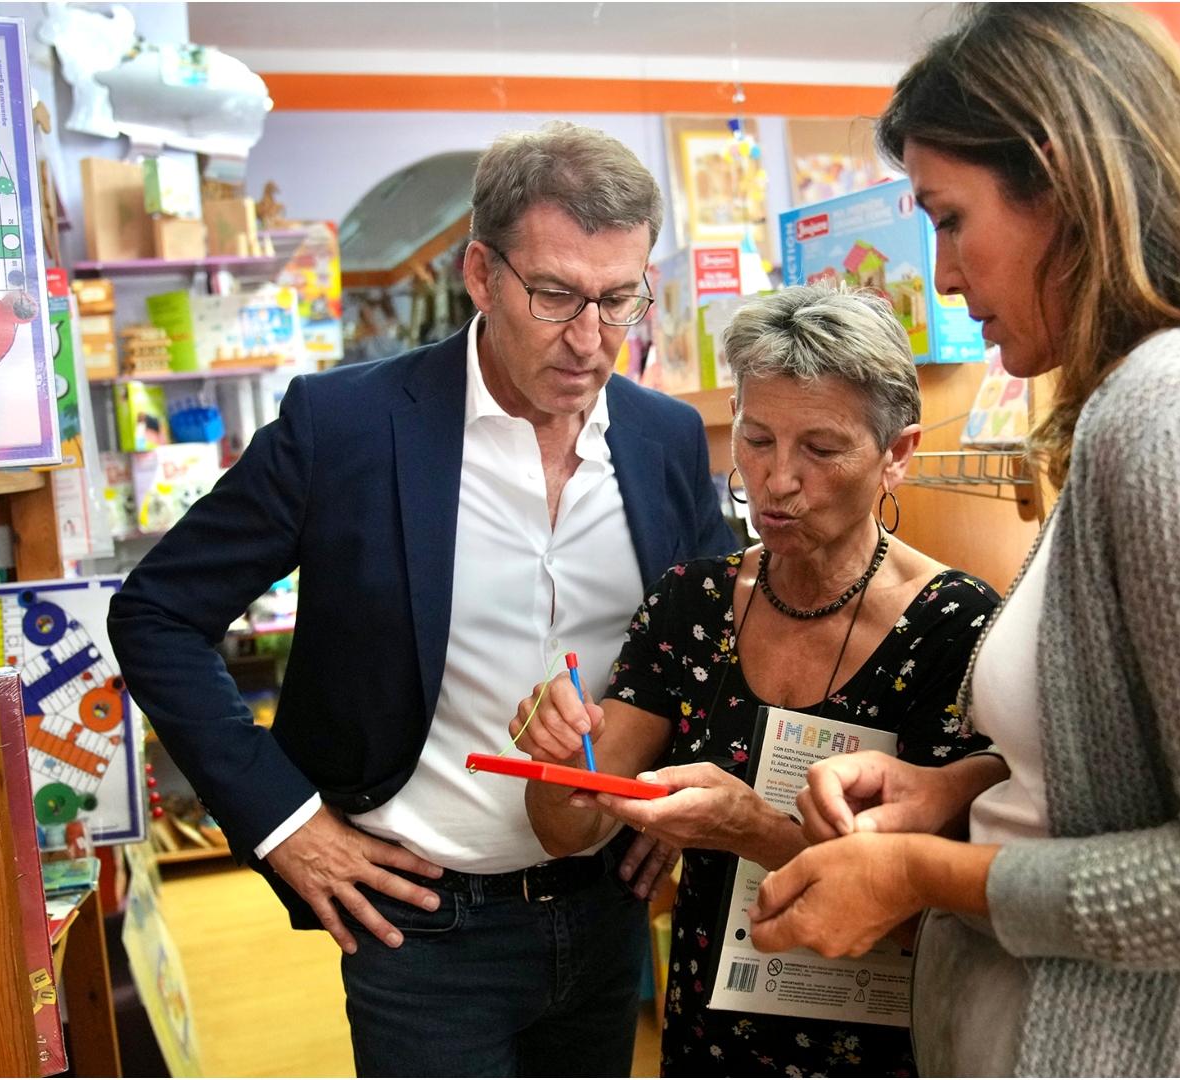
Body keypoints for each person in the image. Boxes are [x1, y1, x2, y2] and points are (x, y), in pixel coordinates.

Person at [747, 5, 1180, 1076]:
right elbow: (1139, 761)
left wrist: (921, 876)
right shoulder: (1140, 408)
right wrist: (961, 791)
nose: (943, 277)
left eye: (951, 219)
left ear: (1061, 184)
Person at [108, 121, 735, 1077]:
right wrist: (287, 825)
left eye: (619, 299)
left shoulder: (665, 437)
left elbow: (705, 642)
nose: (590, 339)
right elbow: (156, 615)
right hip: (424, 929)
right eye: (555, 295)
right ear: (481, 274)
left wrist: (676, 790)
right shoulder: (345, 427)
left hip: (606, 907)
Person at [513, 285, 1004, 1077]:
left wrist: (750, 829)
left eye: (821, 450)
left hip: (886, 1051)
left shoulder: (956, 629)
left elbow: (945, 916)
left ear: (898, 452)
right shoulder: (692, 604)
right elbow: (566, 830)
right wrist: (558, 757)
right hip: (711, 1042)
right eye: (758, 438)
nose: (777, 481)